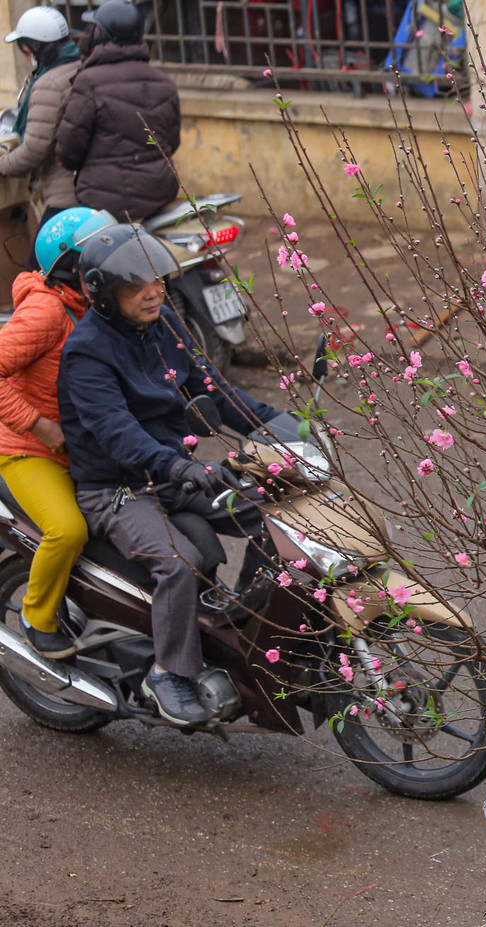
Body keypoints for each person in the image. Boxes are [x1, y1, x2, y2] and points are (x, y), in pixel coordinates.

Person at [57, 224, 275, 727]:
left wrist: (281, 426)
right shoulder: (87, 352)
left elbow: (216, 392)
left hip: (175, 475)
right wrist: (178, 465)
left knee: (273, 510)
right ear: (106, 296)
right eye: (138, 285)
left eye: (157, 280)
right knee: (179, 563)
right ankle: (168, 673)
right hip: (117, 489)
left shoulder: (167, 326)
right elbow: (116, 432)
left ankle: (244, 622)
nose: (154, 291)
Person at [0, 207, 115, 659]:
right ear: (73, 266)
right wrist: (38, 424)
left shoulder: (98, 307)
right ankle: (37, 616)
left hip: (83, 448)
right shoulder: (47, 312)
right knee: (67, 531)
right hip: (28, 451)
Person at [55, 0, 180, 223]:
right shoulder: (165, 82)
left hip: (105, 198)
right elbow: (172, 141)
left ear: (101, 34)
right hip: (160, 191)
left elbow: (70, 148)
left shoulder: (89, 81)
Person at [0, 6, 83, 257]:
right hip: (87, 184)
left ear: (35, 48)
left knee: (40, 271)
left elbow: (34, 150)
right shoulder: (78, 68)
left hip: (64, 194)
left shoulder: (48, 85)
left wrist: (3, 164)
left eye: (25, 48)